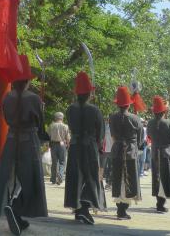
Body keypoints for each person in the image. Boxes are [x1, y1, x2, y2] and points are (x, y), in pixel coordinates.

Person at [0, 55, 48, 236]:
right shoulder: (34, 99)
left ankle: (10, 207)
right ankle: (17, 207)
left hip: (10, 138)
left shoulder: (7, 97)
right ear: (27, 80)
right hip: (28, 140)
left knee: (8, 175)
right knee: (30, 177)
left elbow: (6, 118)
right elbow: (40, 124)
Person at [64, 71, 104, 226]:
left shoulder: (70, 109)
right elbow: (100, 132)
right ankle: (85, 208)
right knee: (91, 176)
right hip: (89, 146)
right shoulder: (94, 110)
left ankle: (77, 207)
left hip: (74, 146)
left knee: (75, 176)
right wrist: (98, 144)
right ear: (89, 93)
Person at [110, 86, 143, 221]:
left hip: (117, 150)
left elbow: (112, 135)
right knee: (129, 180)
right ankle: (122, 211)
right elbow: (140, 139)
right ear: (129, 104)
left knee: (118, 179)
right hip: (130, 151)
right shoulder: (136, 119)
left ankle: (120, 209)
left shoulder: (112, 118)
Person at [147, 96, 170, 213]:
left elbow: (149, 136)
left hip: (155, 152)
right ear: (164, 111)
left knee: (157, 177)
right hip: (166, 153)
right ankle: (161, 203)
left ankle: (159, 202)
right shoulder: (169, 123)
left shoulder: (150, 123)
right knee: (165, 178)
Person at [48, 111, 70, 185]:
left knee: (54, 162)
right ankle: (60, 176)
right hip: (62, 144)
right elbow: (68, 138)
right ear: (62, 118)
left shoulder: (51, 125)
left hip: (53, 145)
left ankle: (53, 179)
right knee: (62, 162)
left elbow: (48, 136)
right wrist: (68, 145)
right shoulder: (65, 126)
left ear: (55, 118)